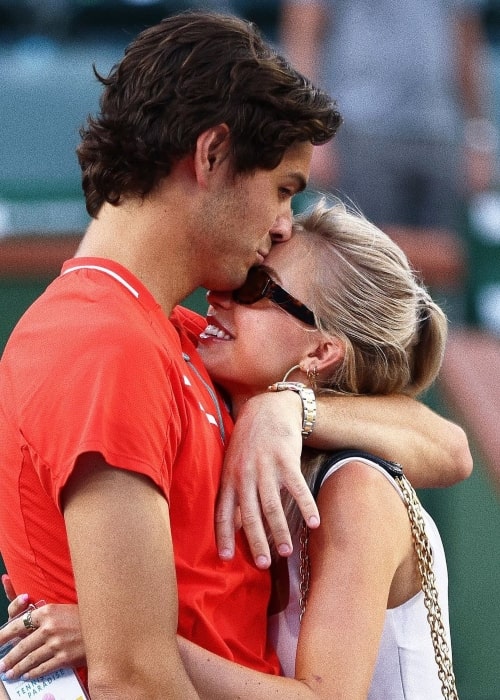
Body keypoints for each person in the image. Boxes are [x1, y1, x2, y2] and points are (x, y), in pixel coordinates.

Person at [1, 199, 458, 697]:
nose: (220, 296)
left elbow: (455, 449)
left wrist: (114, 633)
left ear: (321, 352)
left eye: (254, 287)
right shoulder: (212, 376)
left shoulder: (355, 489)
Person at [279, 0, 497, 232]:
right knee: (366, 252)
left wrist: (478, 137)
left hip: (439, 133)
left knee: (442, 258)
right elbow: (303, 27)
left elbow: (467, 38)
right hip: (361, 132)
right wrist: (312, 131)